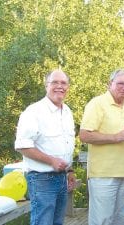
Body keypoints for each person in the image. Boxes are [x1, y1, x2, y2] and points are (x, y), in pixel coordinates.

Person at [15, 69, 76, 225]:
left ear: (68, 87)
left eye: (63, 83)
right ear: (46, 85)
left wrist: (70, 170)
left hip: (62, 178)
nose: (60, 86)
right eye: (55, 82)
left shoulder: (67, 111)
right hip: (42, 179)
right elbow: (22, 146)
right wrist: (51, 161)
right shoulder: (34, 111)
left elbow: (66, 145)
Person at [79, 69, 124, 225]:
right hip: (103, 175)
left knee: (120, 221)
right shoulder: (97, 103)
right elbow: (84, 135)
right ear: (110, 84)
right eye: (120, 84)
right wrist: (115, 137)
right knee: (102, 221)